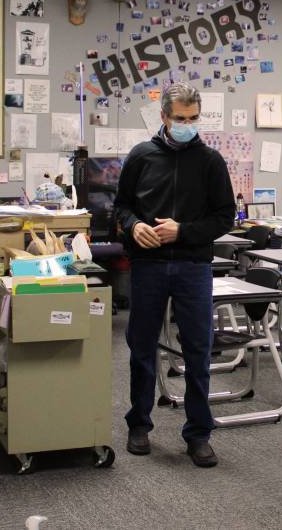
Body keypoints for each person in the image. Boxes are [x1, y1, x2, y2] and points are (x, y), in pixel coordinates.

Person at [113, 83, 235, 467]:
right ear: (164, 116)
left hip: (193, 266)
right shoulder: (141, 156)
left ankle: (198, 433)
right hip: (148, 265)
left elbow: (224, 218)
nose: (187, 125)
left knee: (198, 351)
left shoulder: (211, 161)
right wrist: (134, 226)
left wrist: (182, 231)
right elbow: (121, 208)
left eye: (193, 118)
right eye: (180, 118)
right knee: (142, 348)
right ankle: (139, 424)